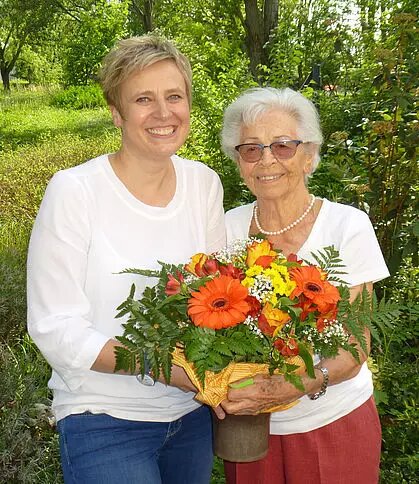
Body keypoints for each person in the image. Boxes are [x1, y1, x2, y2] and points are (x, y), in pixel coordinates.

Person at [27, 35, 226, 484]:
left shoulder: (203, 184)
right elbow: (55, 327)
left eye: (174, 96)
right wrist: (163, 368)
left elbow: (217, 298)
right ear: (117, 113)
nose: (163, 113)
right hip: (104, 419)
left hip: (192, 417)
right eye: (143, 99)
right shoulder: (75, 192)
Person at [219, 87, 389, 484]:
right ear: (239, 162)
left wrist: (291, 388)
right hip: (249, 432)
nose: (266, 160)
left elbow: (356, 344)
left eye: (282, 146)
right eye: (251, 149)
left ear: (309, 154)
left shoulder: (347, 226)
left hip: (333, 424)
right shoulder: (223, 228)